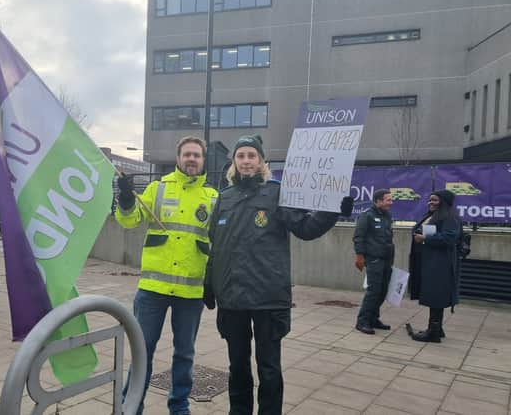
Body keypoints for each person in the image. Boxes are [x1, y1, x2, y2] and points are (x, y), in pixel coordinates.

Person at [204, 135, 353, 415]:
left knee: (269, 369)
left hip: (268, 299)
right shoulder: (224, 198)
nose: (246, 161)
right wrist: (209, 283)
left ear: (261, 161)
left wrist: (331, 210)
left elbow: (306, 228)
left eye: (252, 156)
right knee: (237, 365)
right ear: (233, 162)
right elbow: (217, 245)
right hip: (232, 299)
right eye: (241, 156)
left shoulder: (278, 193)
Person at [115, 136, 218, 415]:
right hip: (152, 290)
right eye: (187, 154)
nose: (192, 159)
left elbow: (222, 242)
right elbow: (129, 219)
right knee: (142, 351)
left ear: (203, 159)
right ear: (178, 158)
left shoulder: (212, 198)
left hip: (191, 292)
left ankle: (179, 406)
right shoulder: (157, 188)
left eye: (197, 155)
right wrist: (125, 198)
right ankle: (131, 403)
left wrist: (214, 281)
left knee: (184, 355)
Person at [407, 190, 461, 343]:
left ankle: (433, 333)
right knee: (433, 294)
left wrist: (425, 238)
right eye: (429, 200)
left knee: (436, 295)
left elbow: (449, 238)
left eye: (435, 200)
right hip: (430, 261)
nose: (430, 202)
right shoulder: (433, 215)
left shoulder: (450, 216)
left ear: (443, 201)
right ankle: (437, 328)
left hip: (441, 263)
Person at [353, 189, 394, 335]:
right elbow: (359, 237)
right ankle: (362, 321)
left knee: (383, 290)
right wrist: (359, 256)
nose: (391, 202)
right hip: (374, 259)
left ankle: (373, 318)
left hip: (387, 259)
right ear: (378, 201)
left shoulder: (387, 215)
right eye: (388, 200)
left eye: (391, 199)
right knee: (373, 291)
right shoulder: (367, 216)